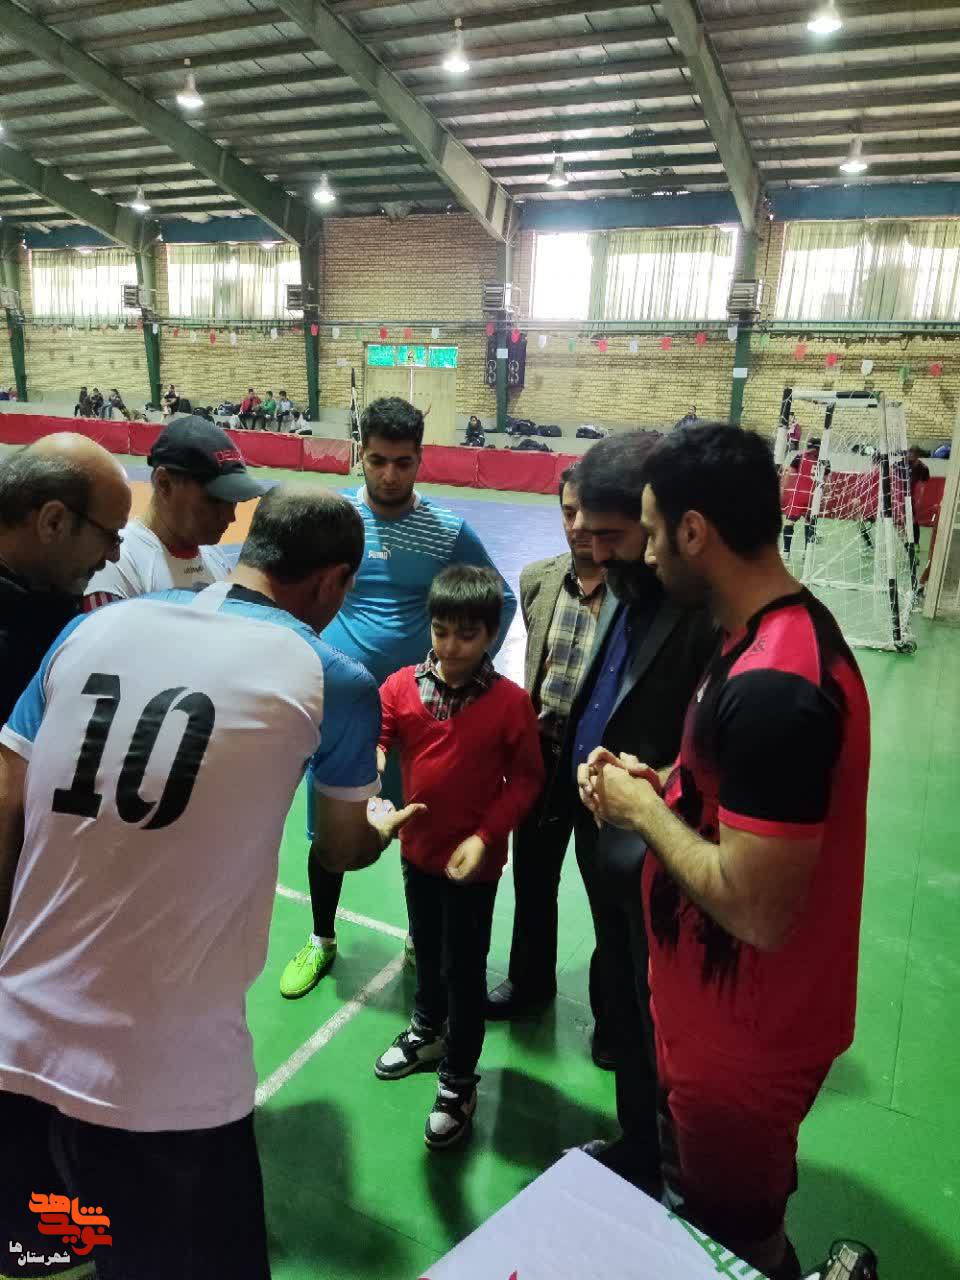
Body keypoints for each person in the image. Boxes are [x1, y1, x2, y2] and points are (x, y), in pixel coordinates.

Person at [0, 486, 425, 1280]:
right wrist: (378, 826)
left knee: (67, 1232)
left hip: (17, 1031)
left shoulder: (94, 626)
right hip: (164, 1075)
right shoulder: (332, 678)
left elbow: (7, 795)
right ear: (335, 581)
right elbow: (339, 850)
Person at [582, 423, 870, 1280]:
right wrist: (667, 785)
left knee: (732, 1242)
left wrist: (642, 810)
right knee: (717, 1212)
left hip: (746, 1040)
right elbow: (735, 799)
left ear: (693, 531)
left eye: (651, 531)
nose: (645, 553)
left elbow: (758, 907)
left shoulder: (775, 687)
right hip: (718, 1021)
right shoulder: (755, 636)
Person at [279, 396, 517, 999]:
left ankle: (420, 937)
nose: (389, 474)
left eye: (403, 462)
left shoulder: (447, 531)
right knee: (329, 833)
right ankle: (322, 938)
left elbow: (500, 598)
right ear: (361, 454)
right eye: (378, 460)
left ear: (420, 459)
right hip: (341, 714)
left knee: (421, 829)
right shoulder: (335, 521)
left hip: (418, 718)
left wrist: (466, 671)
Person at [374, 565, 542, 1148]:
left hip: (473, 866)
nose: (450, 647)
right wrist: (371, 776)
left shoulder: (510, 704)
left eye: (466, 635)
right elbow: (379, 736)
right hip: (416, 852)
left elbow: (526, 780)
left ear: (492, 634)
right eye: (441, 631)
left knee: (464, 970)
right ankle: (428, 1029)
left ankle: (459, 1078)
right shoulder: (400, 686)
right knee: (425, 947)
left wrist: (486, 836)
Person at [486, 466, 609, 1023]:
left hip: (605, 767)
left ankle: (613, 1015)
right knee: (534, 879)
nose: (578, 525)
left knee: (609, 891)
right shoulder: (537, 578)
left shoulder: (634, 591)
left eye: (589, 512)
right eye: (568, 511)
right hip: (543, 754)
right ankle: (529, 981)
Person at [0, 435, 131, 725]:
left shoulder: (40, 607)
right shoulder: (22, 642)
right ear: (53, 522)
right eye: (110, 536)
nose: (115, 556)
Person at [83, 416, 266, 609]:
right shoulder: (115, 569)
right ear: (164, 483)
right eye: (215, 500)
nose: (230, 516)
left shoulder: (216, 559)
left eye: (233, 501)